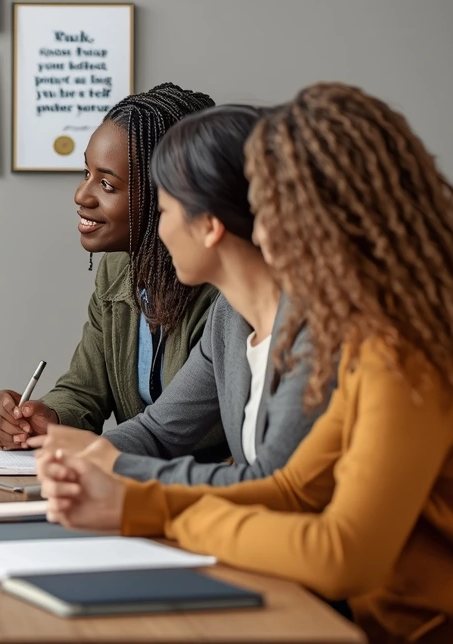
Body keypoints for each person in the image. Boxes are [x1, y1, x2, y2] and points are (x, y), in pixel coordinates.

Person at [39, 83, 453, 644]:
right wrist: (135, 501)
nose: (257, 229)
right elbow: (292, 488)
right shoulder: (369, 339)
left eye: (269, 207)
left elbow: (341, 555)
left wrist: (163, 514)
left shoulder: (406, 354)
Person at [29, 105, 333, 484]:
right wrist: (75, 456)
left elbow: (276, 486)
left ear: (209, 225)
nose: (161, 231)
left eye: (166, 211)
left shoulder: (315, 330)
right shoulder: (231, 318)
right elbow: (159, 432)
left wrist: (121, 485)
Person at [0, 83, 221, 454]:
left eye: (107, 184)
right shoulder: (118, 271)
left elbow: (181, 429)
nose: (82, 195)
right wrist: (49, 417)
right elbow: (85, 388)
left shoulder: (224, 292)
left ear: (167, 192)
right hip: (133, 485)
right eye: (86, 173)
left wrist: (88, 453)